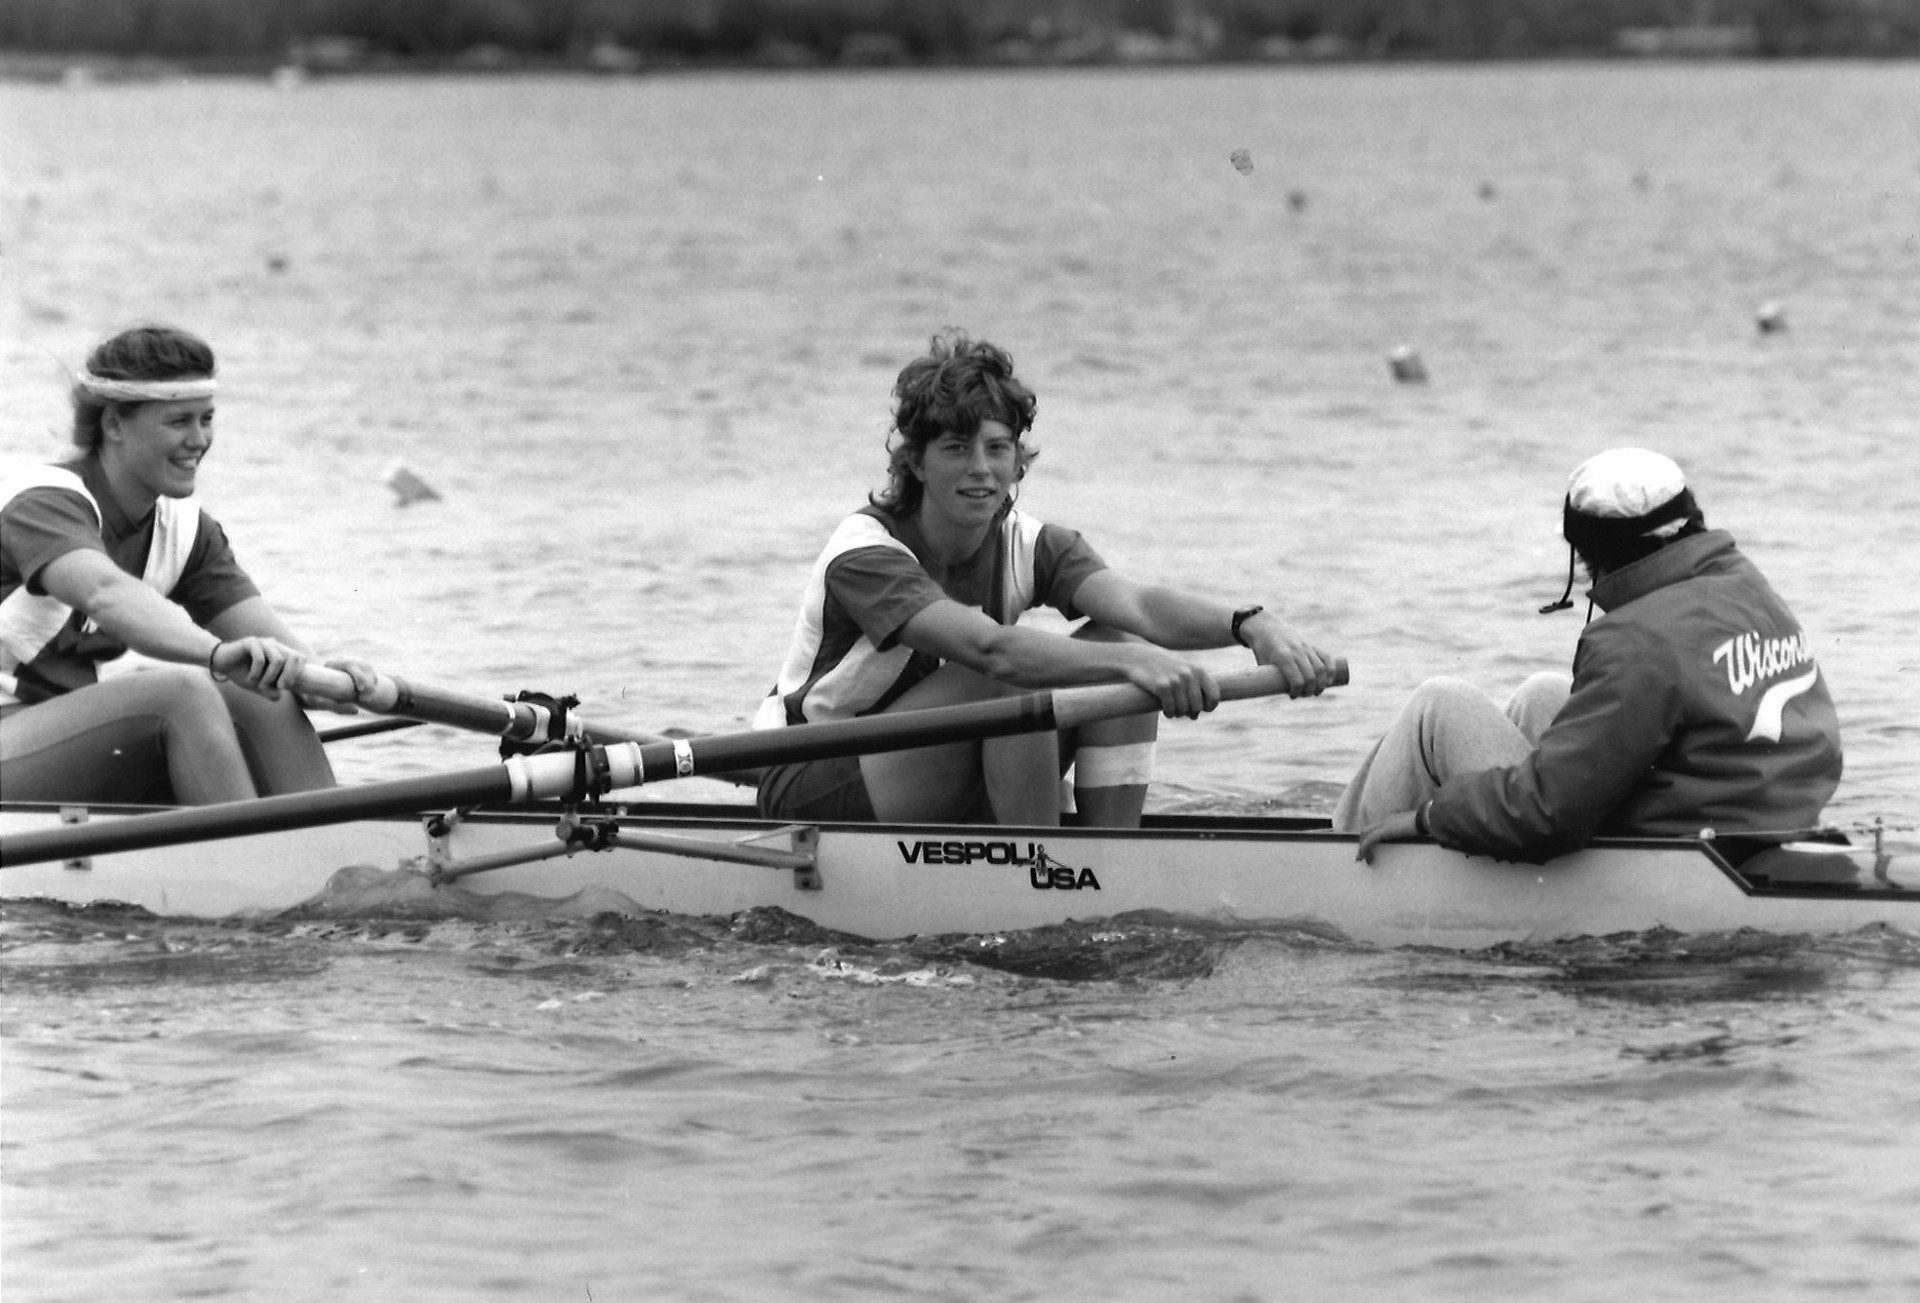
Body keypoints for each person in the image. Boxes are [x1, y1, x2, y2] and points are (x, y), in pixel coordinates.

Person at [753, 329, 1340, 828]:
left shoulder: (1029, 544)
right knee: (1022, 678)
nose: (980, 469)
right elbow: (995, 651)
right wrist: (1136, 668)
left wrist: (1251, 625)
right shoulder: (865, 555)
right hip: (813, 778)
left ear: (1018, 460)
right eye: (956, 448)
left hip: (922, 760)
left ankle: (1108, 862)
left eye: (997, 448)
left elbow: (1140, 608)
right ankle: (1041, 872)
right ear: (915, 462)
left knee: (1119, 642)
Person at [1342, 447, 1842, 864]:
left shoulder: (1638, 638)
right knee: (1546, 693)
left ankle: (1339, 856)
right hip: (1764, 823)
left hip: (1672, 856)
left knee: (1439, 704)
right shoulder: (1743, 582)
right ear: (1690, 519)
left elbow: (1545, 815)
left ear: (1585, 550)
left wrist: (1430, 817)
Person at [1, 324, 376, 806]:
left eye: (206, 419)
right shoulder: (43, 504)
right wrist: (218, 655)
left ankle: (333, 852)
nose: (198, 440)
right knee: (181, 691)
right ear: (114, 424)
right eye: (178, 421)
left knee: (260, 690)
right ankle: (251, 862)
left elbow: (276, 649)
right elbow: (104, 592)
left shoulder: (187, 532)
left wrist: (328, 678)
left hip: (50, 743)